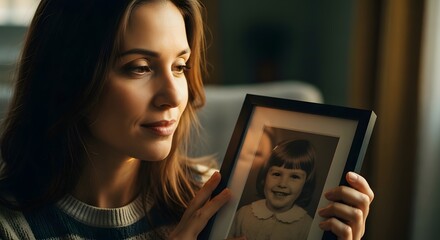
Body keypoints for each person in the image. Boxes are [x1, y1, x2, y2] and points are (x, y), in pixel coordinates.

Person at [0, 0, 374, 239]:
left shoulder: (215, 201)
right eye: (140, 68)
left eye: (180, 66)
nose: (175, 95)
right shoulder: (14, 225)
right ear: (68, 77)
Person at [229, 139, 316, 240]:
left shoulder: (307, 226)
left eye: (294, 177)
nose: (282, 184)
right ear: (264, 176)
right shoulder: (243, 214)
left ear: (306, 183)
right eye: (277, 174)